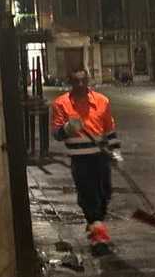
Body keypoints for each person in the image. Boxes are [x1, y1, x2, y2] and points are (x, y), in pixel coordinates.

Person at [50, 69, 122, 245]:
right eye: (76, 81)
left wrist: (115, 151)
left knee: (105, 193)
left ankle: (95, 223)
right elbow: (57, 134)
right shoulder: (61, 104)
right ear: (70, 82)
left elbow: (109, 129)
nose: (80, 85)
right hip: (80, 159)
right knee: (88, 194)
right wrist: (68, 128)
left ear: (88, 81)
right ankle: (97, 232)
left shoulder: (102, 101)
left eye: (83, 81)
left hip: (101, 156)